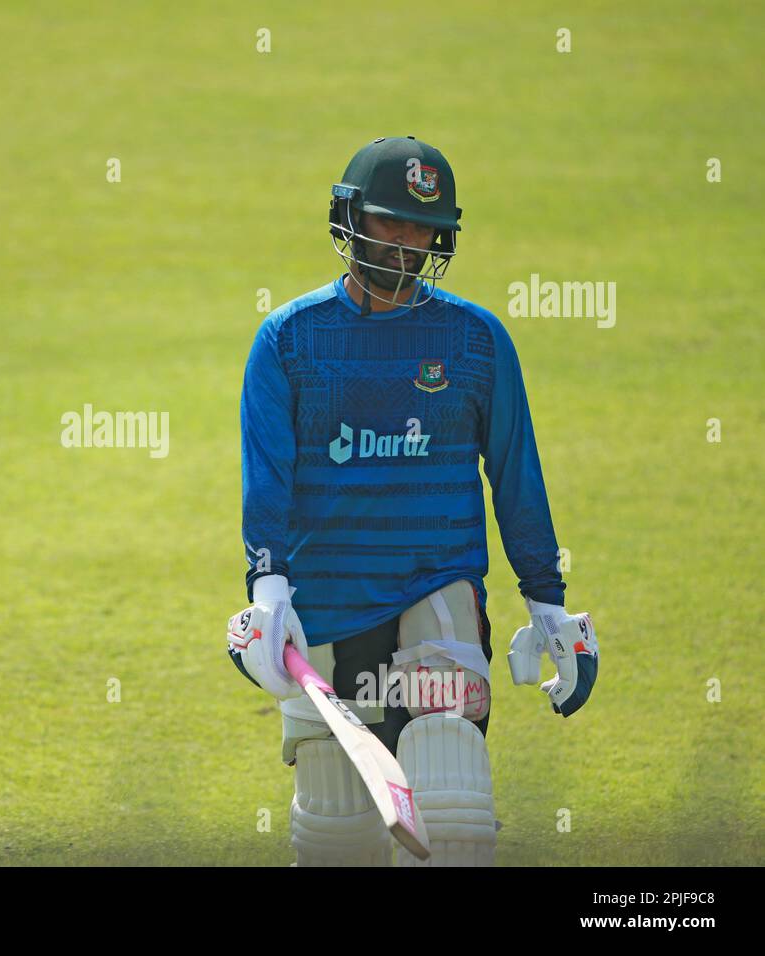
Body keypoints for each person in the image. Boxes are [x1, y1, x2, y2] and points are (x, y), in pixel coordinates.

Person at [227, 136, 598, 866]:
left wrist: (548, 601)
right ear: (347, 219)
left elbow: (517, 474)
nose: (405, 245)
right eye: (388, 223)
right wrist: (267, 593)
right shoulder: (289, 340)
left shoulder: (476, 339)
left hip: (436, 588)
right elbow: (266, 480)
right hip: (326, 604)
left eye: (422, 229)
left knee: (453, 811)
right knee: (337, 833)